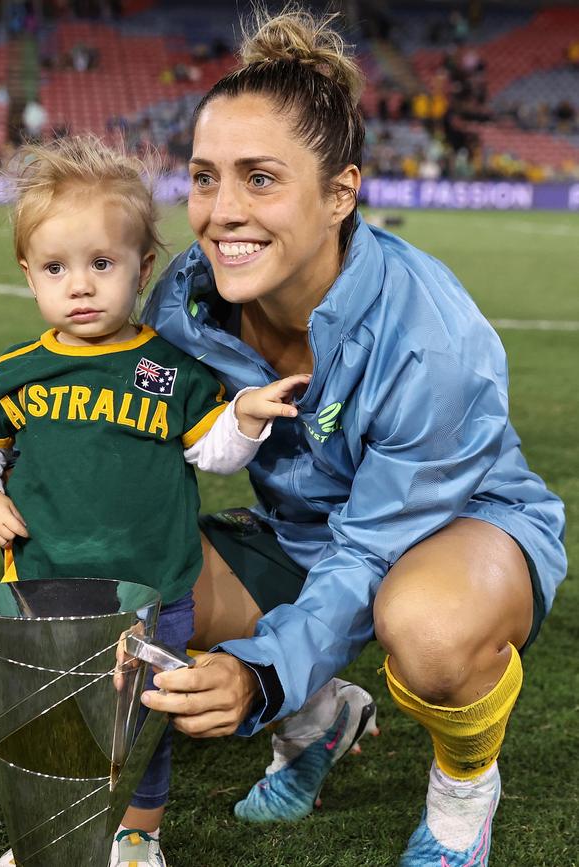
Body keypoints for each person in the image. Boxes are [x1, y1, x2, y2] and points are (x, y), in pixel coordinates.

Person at [136, 9, 567, 866]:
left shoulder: (432, 336)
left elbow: (372, 549)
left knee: (429, 628)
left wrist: (260, 673)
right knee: (141, 567)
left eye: (261, 179)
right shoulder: (183, 304)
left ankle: (463, 794)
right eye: (204, 178)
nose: (222, 213)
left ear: (342, 193)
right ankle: (321, 714)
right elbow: (148, 464)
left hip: (453, 530)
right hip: (308, 539)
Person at [0, 135, 310, 867]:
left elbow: (212, 450)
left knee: (142, 720)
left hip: (155, 587)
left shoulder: (169, 370)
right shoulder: (19, 373)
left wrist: (242, 418)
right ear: (29, 273)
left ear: (143, 267)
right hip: (43, 588)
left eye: (102, 264)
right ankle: (51, 826)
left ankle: (139, 833)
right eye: (56, 268)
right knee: (52, 718)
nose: (79, 286)